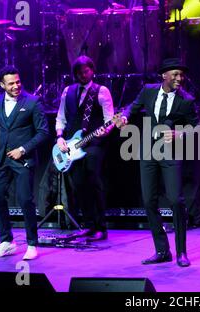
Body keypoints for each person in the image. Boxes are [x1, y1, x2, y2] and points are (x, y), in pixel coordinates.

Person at [118, 58, 200, 267]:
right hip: (148, 152)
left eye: (181, 75)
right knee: (148, 201)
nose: (179, 78)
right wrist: (125, 117)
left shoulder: (186, 100)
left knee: (175, 200)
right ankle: (162, 250)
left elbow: (198, 128)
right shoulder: (148, 91)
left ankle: (181, 252)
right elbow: (132, 108)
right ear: (164, 75)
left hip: (171, 153)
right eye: (175, 74)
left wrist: (179, 133)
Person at [0, 66, 50, 260]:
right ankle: (6, 242)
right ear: (2, 85)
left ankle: (32, 244)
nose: (16, 86)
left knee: (25, 200)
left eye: (18, 81)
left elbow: (43, 132)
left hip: (23, 160)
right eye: (11, 83)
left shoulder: (33, 102)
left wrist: (23, 149)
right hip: (1, 160)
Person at [55, 55, 114, 241]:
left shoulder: (101, 91)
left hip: (94, 144)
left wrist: (104, 131)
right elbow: (60, 118)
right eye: (79, 72)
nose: (83, 74)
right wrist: (59, 137)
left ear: (92, 70)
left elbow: (110, 120)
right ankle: (88, 224)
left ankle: (101, 227)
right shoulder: (68, 91)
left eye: (86, 71)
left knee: (93, 182)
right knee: (79, 185)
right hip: (73, 145)